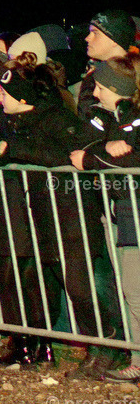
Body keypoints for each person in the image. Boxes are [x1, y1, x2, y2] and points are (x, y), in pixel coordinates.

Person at [0, 60, 103, 370]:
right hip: (7, 211)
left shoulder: (53, 117)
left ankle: (44, 343)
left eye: (5, 94)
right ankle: (23, 341)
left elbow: (68, 153)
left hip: (43, 211)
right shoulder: (1, 118)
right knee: (10, 278)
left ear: (22, 97)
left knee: (39, 280)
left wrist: (11, 149)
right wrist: (0, 149)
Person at [71, 54, 140, 382]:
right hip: (120, 214)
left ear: (114, 86)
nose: (93, 91)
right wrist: (100, 151)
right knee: (130, 289)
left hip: (133, 214)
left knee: (135, 289)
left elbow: (130, 160)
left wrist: (92, 160)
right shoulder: (109, 116)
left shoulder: (134, 118)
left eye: (98, 85)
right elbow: (79, 146)